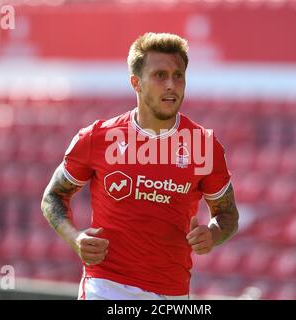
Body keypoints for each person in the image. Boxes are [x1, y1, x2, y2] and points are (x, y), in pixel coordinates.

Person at [41, 32, 240, 300]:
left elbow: (228, 216)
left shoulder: (203, 144)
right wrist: (75, 238)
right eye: (160, 75)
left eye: (178, 75)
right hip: (107, 288)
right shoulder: (97, 137)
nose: (171, 84)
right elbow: (53, 196)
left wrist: (213, 234)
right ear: (136, 83)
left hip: (172, 293)